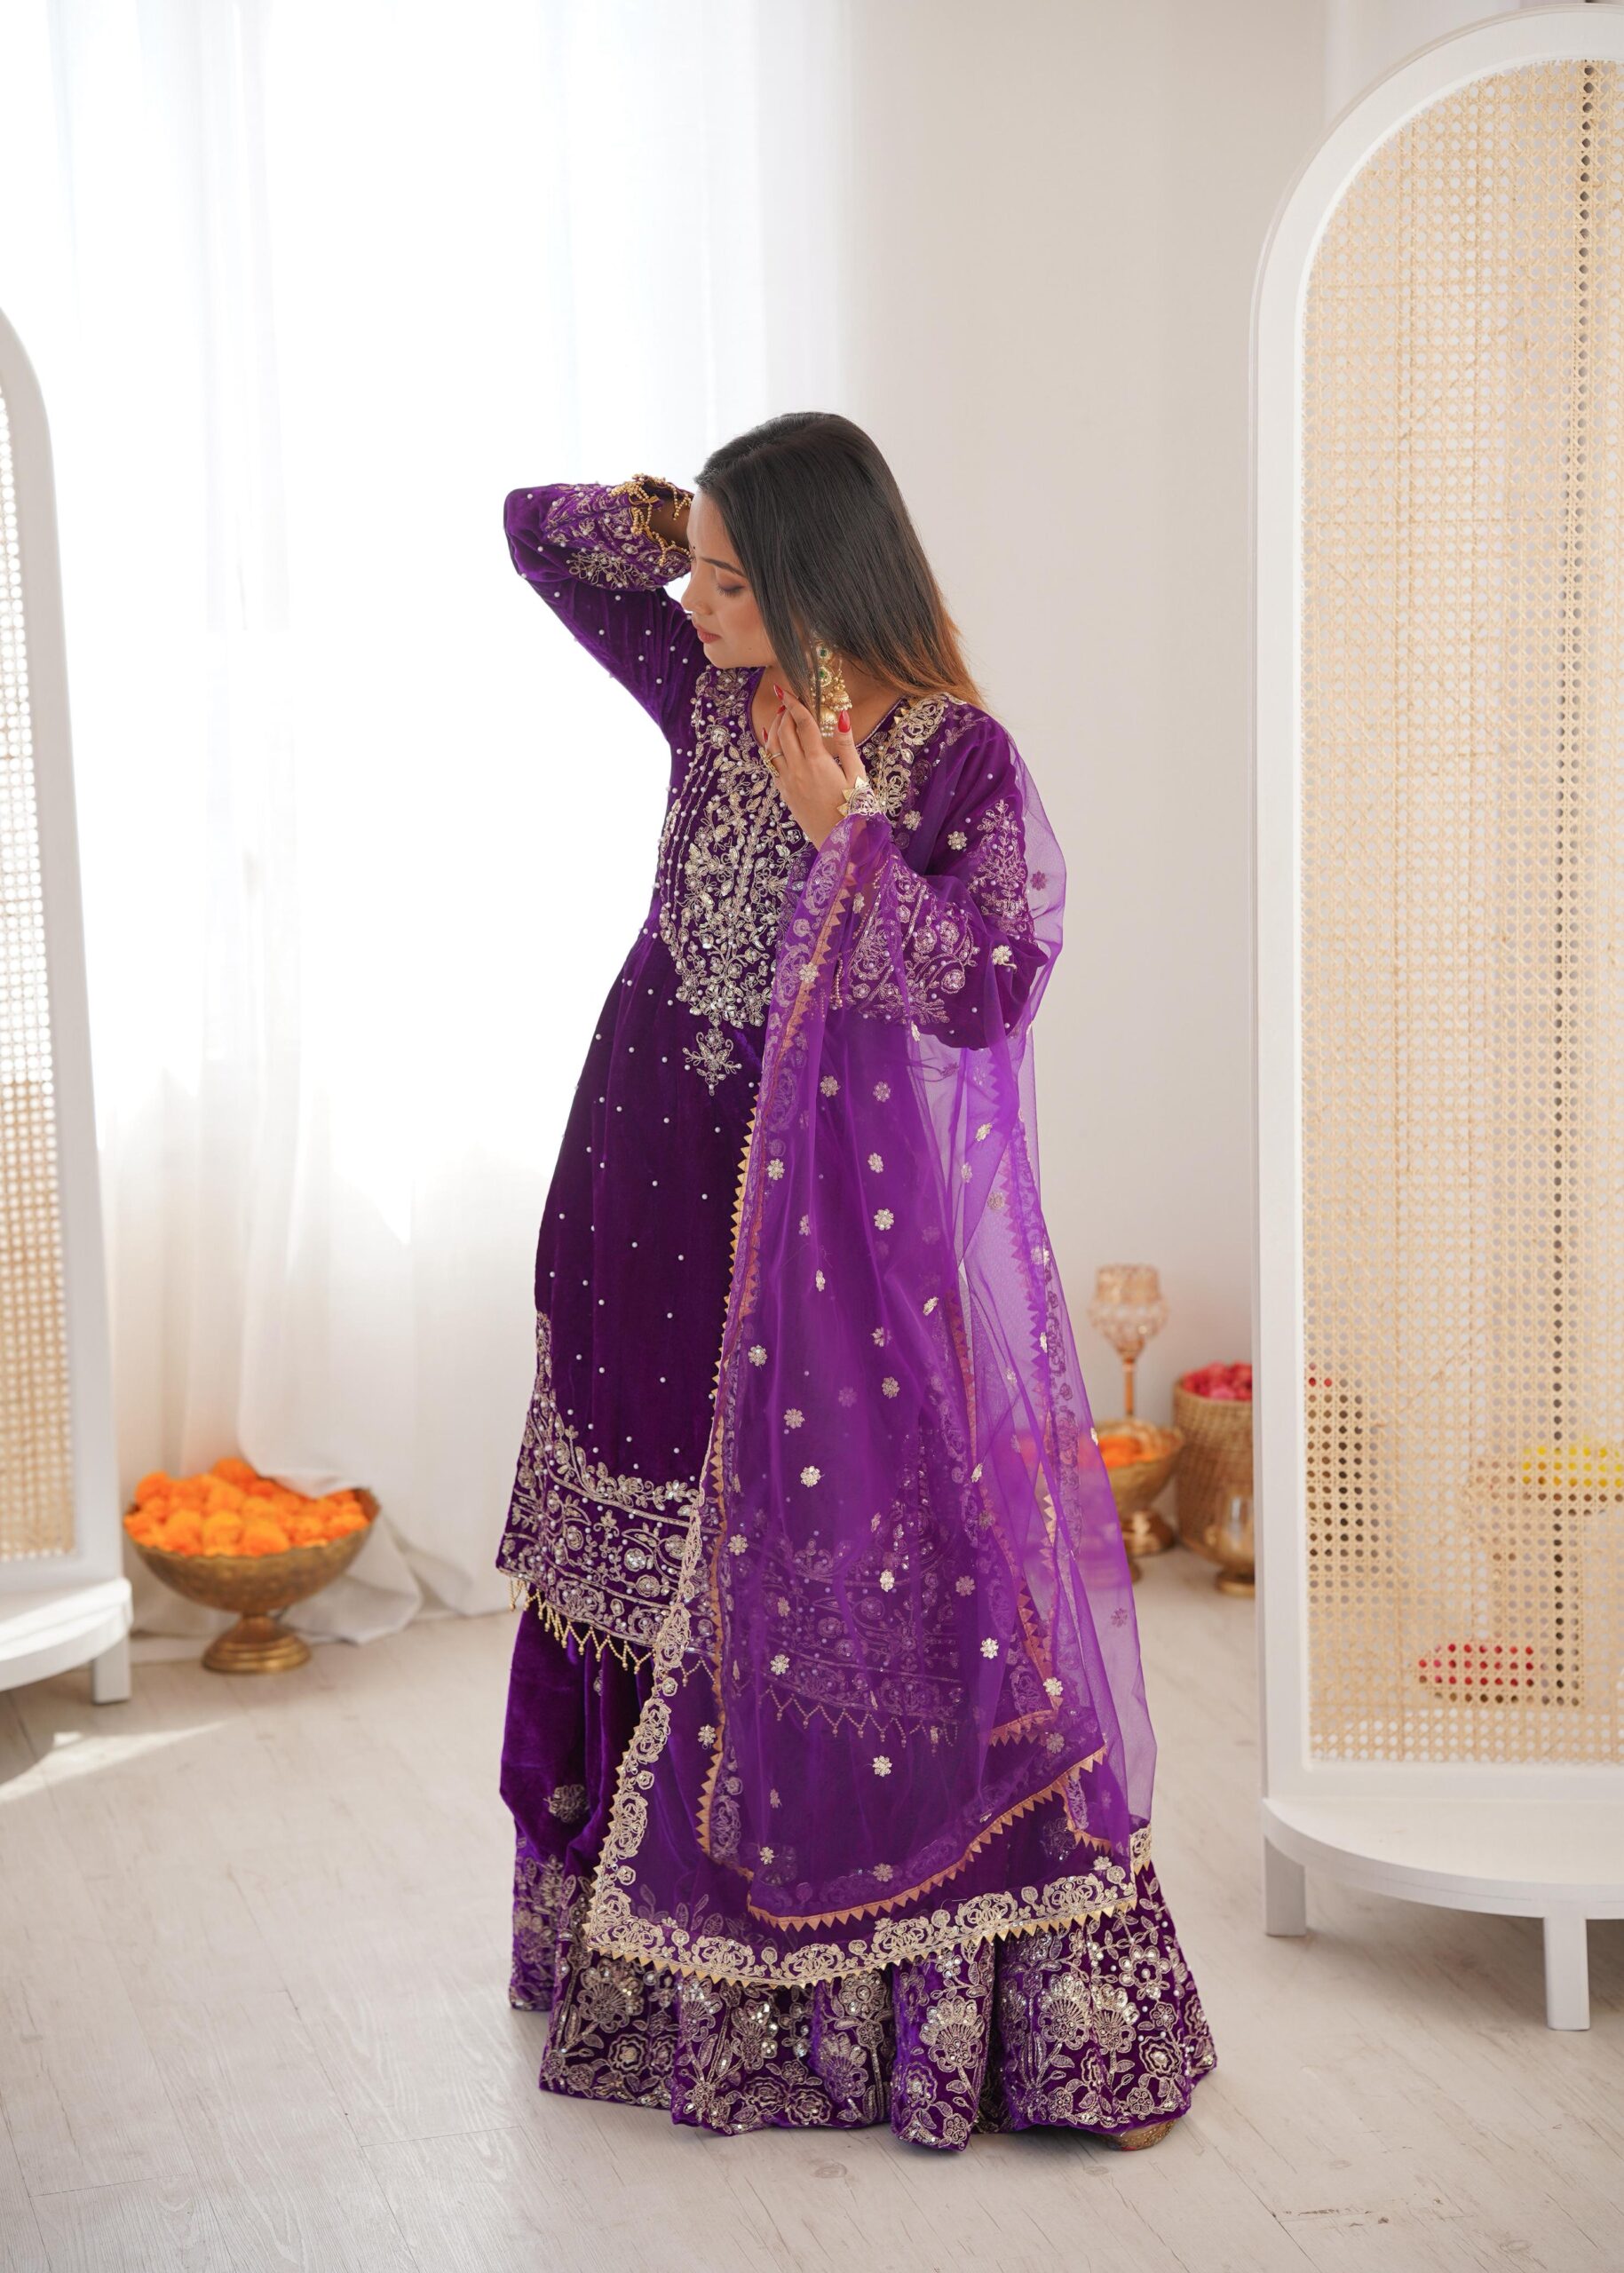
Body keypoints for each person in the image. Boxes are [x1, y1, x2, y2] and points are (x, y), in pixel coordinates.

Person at [495, 412, 1216, 2152]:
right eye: (699, 575)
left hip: (833, 1221)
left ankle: (989, 1993)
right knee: (643, 1543)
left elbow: (991, 982)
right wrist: (676, 516)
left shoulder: (954, 756)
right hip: (647, 1171)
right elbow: (533, 531)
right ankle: (624, 1932)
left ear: (824, 578)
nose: (699, 603)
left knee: (886, 1553)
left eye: (736, 579)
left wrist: (852, 838)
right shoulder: (706, 684)